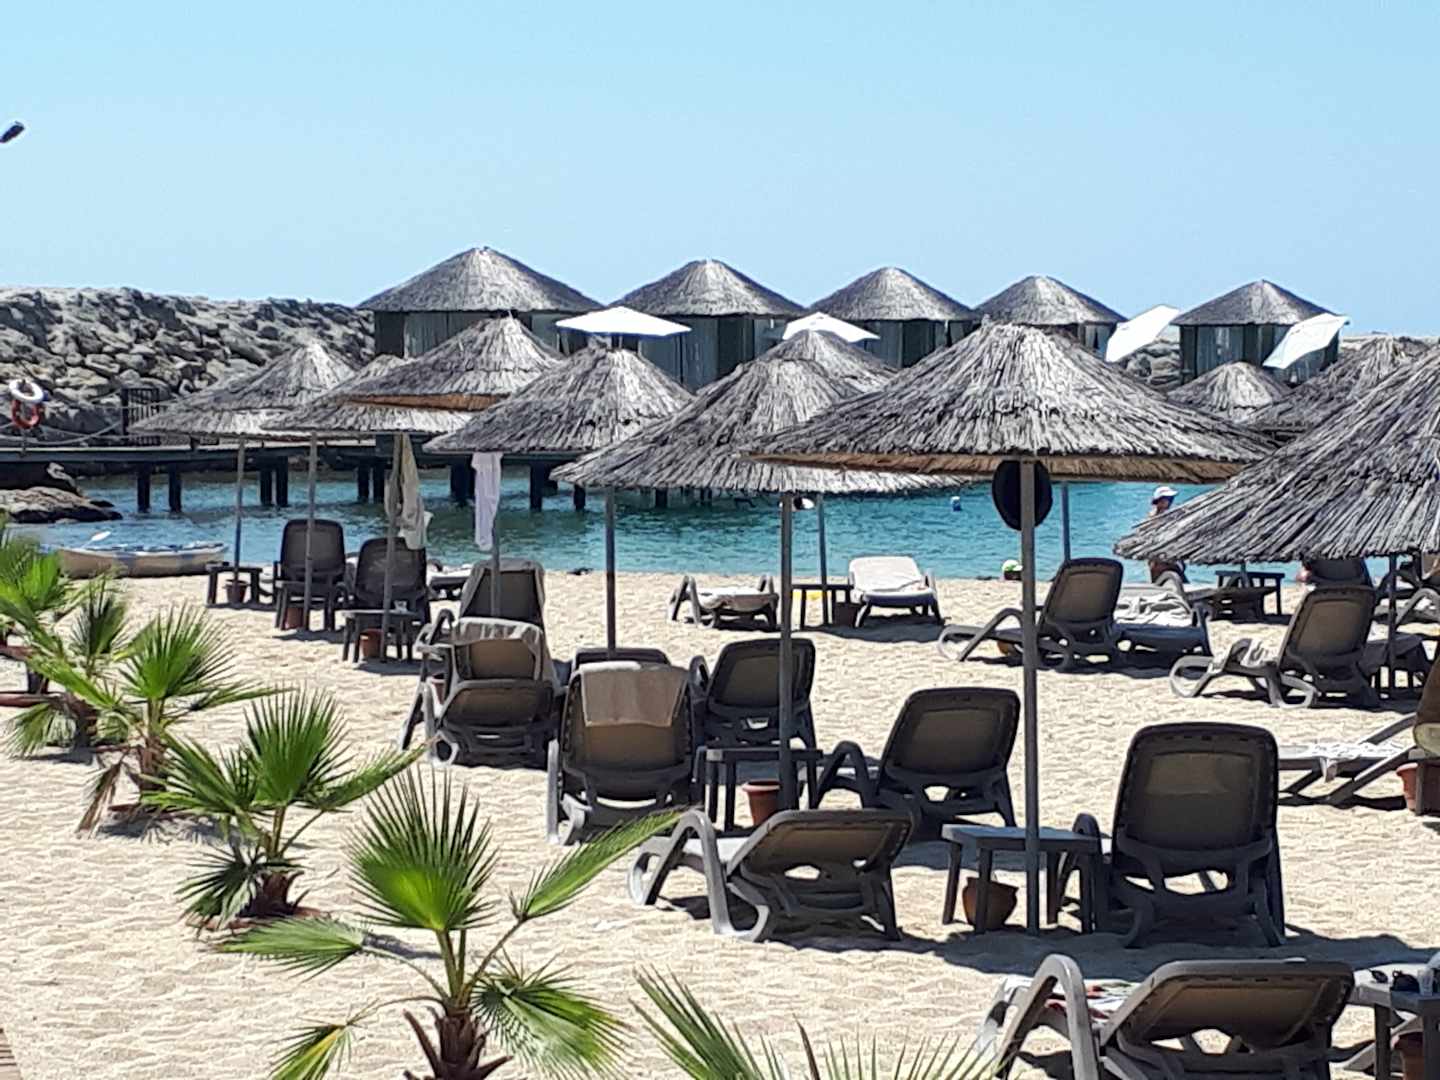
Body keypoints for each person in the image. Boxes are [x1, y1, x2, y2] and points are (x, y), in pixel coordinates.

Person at [1144, 486, 1185, 584]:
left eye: (1171, 499)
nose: (1170, 501)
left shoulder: (1168, 515)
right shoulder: (1153, 518)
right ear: (1159, 500)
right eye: (1168, 499)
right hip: (1160, 560)